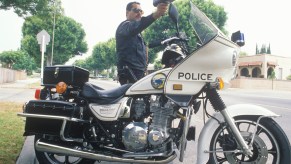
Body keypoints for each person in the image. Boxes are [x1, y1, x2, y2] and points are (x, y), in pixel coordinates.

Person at [116, 1, 168, 85]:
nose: (139, 13)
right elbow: (138, 25)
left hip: (139, 72)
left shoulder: (137, 34)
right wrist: (156, 14)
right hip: (129, 72)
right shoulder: (124, 26)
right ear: (127, 12)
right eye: (136, 10)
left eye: (141, 11)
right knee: (136, 97)